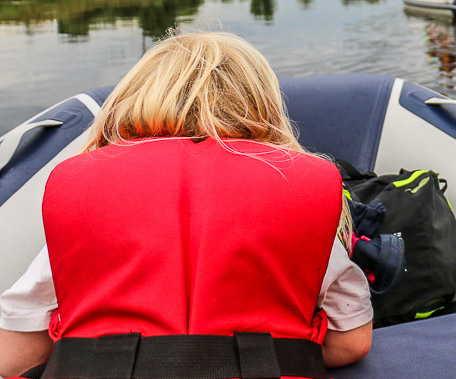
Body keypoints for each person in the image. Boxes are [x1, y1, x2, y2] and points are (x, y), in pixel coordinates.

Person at [0, 32, 373, 379]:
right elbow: (351, 342)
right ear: (265, 108)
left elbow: (13, 355)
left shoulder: (87, 198)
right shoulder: (297, 191)